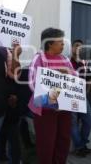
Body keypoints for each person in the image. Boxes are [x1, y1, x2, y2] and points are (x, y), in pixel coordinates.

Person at [28, 27, 76, 164]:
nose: (63, 44)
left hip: (64, 108)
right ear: (49, 43)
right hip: (45, 110)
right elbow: (32, 83)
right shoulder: (38, 58)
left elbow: (75, 77)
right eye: (60, 42)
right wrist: (51, 101)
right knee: (46, 143)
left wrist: (69, 73)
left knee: (64, 140)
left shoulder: (65, 59)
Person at [70, 39, 91, 157]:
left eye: (81, 46)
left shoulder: (85, 62)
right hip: (70, 97)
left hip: (82, 97)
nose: (78, 48)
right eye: (76, 45)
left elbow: (89, 78)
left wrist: (86, 93)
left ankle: (81, 144)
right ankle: (80, 147)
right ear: (72, 48)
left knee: (89, 120)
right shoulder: (66, 61)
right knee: (72, 123)